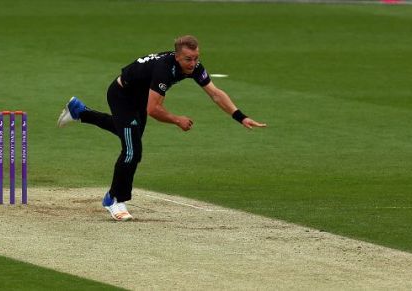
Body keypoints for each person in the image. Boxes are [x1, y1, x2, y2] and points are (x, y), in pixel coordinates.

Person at [57, 35, 266, 221]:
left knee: (129, 134)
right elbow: (154, 109)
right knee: (132, 151)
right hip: (122, 95)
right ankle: (114, 199)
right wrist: (177, 120)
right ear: (177, 57)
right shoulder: (164, 70)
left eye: (196, 58)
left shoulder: (194, 66)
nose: (193, 64)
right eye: (188, 59)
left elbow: (215, 93)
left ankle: (80, 112)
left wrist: (240, 117)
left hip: (139, 96)